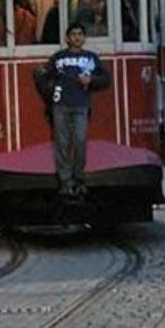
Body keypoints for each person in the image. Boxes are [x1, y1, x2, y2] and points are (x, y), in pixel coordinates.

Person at [33, 23, 111, 198]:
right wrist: (51, 94)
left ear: (84, 38)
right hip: (60, 104)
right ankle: (66, 182)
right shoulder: (58, 58)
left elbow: (106, 78)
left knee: (80, 141)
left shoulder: (91, 58)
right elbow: (41, 75)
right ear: (67, 38)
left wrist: (90, 80)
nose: (77, 37)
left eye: (80, 34)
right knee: (62, 144)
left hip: (81, 105)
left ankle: (78, 179)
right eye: (73, 34)